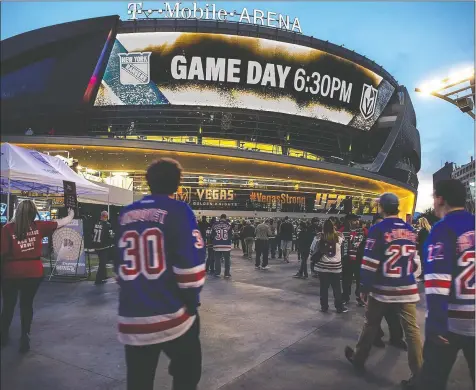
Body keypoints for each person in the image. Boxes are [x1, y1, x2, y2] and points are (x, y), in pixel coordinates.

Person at [115, 158, 205, 390]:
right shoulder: (178, 210)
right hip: (170, 315)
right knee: (188, 373)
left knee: (138, 380)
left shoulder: (126, 213)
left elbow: (118, 267)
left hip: (131, 316)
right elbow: (190, 272)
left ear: (148, 183)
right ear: (177, 184)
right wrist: (191, 303)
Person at [344, 193, 422, 389]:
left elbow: (370, 261)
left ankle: (359, 359)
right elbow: (413, 261)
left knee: (370, 324)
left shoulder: (378, 229)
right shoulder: (410, 229)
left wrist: (364, 286)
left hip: (383, 288)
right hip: (406, 287)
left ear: (383, 208)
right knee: (412, 331)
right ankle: (420, 374)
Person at [419, 179, 475, 390]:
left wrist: (435, 324)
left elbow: (436, 282)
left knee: (432, 380)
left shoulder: (442, 230)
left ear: (441, 199)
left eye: (434, 197)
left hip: (452, 321)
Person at [0, 200, 74, 352]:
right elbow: (62, 222)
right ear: (34, 212)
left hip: (11, 272)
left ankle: (3, 337)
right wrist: (71, 213)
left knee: (8, 305)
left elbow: (2, 253)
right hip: (33, 272)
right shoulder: (39, 226)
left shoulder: (7, 228)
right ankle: (25, 337)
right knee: (26, 305)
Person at [369, 215, 406, 350]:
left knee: (393, 315)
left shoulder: (391, 239)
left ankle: (396, 338)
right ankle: (376, 337)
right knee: (374, 316)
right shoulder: (370, 239)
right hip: (377, 283)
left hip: (391, 284)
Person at [310, 219, 347, 313]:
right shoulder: (338, 237)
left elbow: (312, 249)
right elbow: (344, 240)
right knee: (337, 288)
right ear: (333, 227)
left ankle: (324, 307)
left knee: (323, 288)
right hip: (336, 267)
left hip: (322, 267)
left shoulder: (319, 237)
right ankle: (339, 307)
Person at [340, 213, 367, 306]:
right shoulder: (342, 231)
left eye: (357, 220)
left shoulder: (363, 231)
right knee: (346, 280)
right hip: (347, 260)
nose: (357, 222)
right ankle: (345, 297)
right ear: (349, 221)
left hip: (359, 260)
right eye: (354, 220)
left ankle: (360, 298)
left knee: (360, 280)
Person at [91, 210, 114, 285]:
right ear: (106, 216)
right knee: (102, 263)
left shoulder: (95, 223)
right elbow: (111, 236)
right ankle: (98, 279)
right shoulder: (107, 224)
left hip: (96, 245)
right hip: (103, 246)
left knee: (103, 262)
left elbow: (92, 234)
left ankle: (104, 276)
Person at [212, 214, 232, 278]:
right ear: (225, 218)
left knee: (217, 259)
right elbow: (231, 235)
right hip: (226, 245)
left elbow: (212, 235)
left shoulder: (215, 224)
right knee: (227, 260)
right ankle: (226, 273)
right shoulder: (229, 225)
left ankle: (217, 272)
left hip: (217, 244)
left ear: (220, 218)